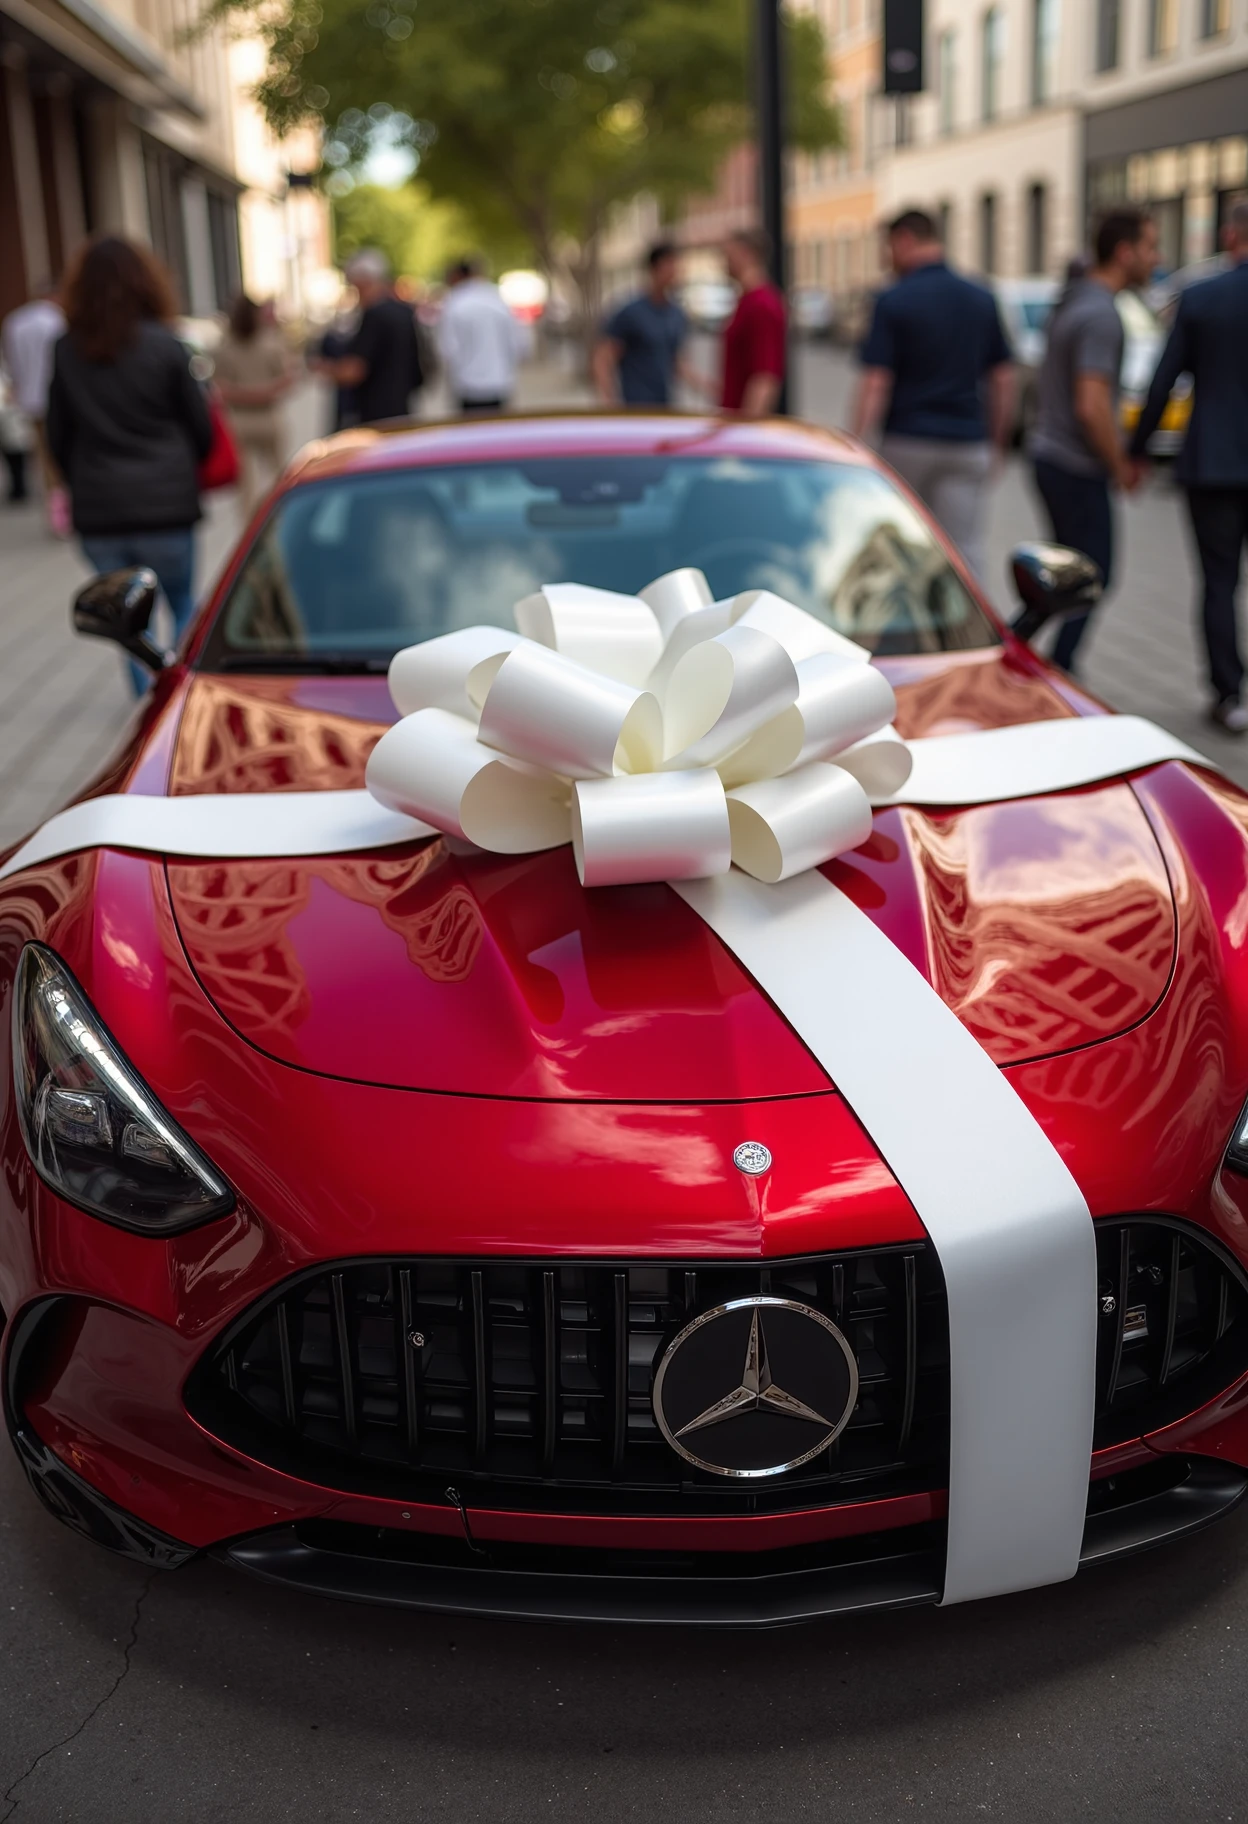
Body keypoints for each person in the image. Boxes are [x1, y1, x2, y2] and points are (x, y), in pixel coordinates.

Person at [45, 236, 212, 694]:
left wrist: (77, 479)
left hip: (100, 509)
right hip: (166, 504)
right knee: (181, 601)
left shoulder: (65, 350)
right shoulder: (168, 345)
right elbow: (201, 428)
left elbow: (57, 434)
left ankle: (147, 701)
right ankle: (183, 695)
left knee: (124, 619)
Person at [1128, 202, 1248, 734]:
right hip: (1217, 461)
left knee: (1219, 581)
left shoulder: (1200, 297)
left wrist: (1136, 450)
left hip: (1214, 462)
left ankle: (1230, 694)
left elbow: (1163, 381)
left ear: (1230, 234)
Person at [850, 210, 1013, 582]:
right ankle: (970, 632)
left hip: (908, 442)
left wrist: (856, 444)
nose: (885, 256)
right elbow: (1003, 380)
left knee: (900, 547)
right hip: (967, 445)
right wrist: (996, 443)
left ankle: (908, 632)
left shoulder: (894, 300)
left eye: (887, 246)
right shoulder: (981, 296)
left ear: (905, 239)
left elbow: (876, 382)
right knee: (965, 551)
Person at [1029, 208, 1158, 672]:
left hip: (1051, 456)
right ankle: (1056, 668)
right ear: (1124, 253)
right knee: (1091, 577)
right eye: (1149, 247)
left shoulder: (1076, 298)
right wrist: (1119, 464)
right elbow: (1092, 404)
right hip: (1074, 465)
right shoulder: (1101, 313)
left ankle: (1036, 662)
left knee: (1065, 578)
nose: (1156, 258)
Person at [213, 294, 293, 516]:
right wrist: (263, 393)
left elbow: (218, 386)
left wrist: (241, 394)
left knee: (246, 487)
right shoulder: (271, 341)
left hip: (238, 420)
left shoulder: (224, 345)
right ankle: (283, 520)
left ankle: (252, 531)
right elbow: (288, 379)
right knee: (280, 477)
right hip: (268, 416)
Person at [1, 278, 68, 534]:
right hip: (58, 397)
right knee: (60, 452)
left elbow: (12, 362)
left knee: (44, 455)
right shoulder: (57, 321)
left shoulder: (16, 321)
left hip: (31, 397)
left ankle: (54, 511)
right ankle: (63, 510)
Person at [331, 250, 424, 424]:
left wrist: (327, 369)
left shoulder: (374, 315)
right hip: (402, 403)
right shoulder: (403, 311)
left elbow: (353, 371)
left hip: (377, 410)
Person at [593, 242, 691, 407]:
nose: (675, 272)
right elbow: (603, 357)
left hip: (665, 405)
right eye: (670, 265)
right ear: (655, 269)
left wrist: (708, 385)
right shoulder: (631, 312)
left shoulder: (676, 314)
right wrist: (608, 401)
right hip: (636, 407)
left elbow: (676, 362)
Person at [438, 258, 527, 413]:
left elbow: (448, 349)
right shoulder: (497, 299)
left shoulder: (455, 302)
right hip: (500, 383)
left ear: (457, 276)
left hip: (468, 385)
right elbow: (518, 343)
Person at [718, 228, 787, 419]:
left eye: (728, 254)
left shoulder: (762, 304)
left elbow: (765, 378)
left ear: (746, 254)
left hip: (740, 427)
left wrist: (746, 430)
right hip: (732, 421)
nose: (724, 261)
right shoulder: (747, 300)